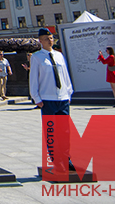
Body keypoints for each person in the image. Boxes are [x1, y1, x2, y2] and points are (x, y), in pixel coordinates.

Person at [29, 28, 74, 173]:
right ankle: (56, 161)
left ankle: (67, 159)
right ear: (40, 41)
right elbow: (34, 79)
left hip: (62, 98)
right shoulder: (37, 57)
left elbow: (65, 75)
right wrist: (36, 97)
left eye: (51, 37)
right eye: (47, 38)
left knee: (65, 131)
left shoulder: (59, 55)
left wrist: (69, 92)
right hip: (47, 99)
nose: (50, 40)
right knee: (51, 132)